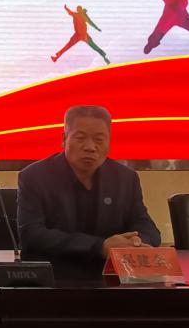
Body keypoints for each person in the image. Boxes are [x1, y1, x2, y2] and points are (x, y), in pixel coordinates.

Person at [17, 105, 160, 264]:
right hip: (56, 271)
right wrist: (99, 247)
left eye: (99, 140)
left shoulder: (125, 178)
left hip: (110, 272)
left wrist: (136, 243)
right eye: (80, 138)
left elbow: (146, 226)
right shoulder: (34, 177)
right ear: (64, 139)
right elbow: (31, 234)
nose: (90, 147)